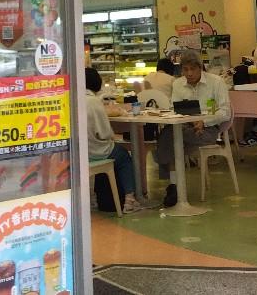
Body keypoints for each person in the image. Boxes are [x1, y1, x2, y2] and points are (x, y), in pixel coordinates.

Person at [154, 50, 231, 207]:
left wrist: (204, 121)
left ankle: (172, 184)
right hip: (184, 127)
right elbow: (174, 109)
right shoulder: (177, 84)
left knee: (167, 139)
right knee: (171, 137)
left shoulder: (216, 82)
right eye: (185, 69)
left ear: (200, 67)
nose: (189, 73)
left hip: (209, 129)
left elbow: (225, 112)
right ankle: (175, 187)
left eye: (192, 69)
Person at [84, 67, 143, 214]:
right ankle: (130, 199)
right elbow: (104, 133)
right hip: (97, 152)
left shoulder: (73, 99)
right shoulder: (93, 102)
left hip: (81, 154)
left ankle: (96, 197)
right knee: (123, 155)